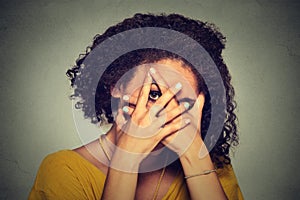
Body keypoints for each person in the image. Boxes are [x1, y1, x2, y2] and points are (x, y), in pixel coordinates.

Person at [29, 13, 243, 199]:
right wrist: (125, 160)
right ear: (117, 87)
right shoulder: (64, 170)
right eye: (154, 94)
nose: (166, 112)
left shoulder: (213, 167)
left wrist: (196, 159)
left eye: (182, 103)